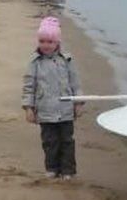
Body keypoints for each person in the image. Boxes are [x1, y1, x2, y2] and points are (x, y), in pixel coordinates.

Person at [21, 16, 82, 179]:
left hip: (66, 110)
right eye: (42, 41)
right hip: (45, 110)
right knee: (50, 142)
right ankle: (52, 168)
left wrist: (78, 103)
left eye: (50, 42)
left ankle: (68, 171)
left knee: (67, 141)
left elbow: (75, 83)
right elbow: (29, 87)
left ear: (57, 43)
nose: (46, 45)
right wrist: (29, 108)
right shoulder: (35, 63)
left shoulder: (66, 60)